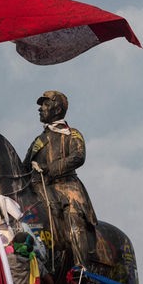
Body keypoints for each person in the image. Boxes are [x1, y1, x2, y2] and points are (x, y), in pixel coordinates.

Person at [22, 91, 97, 268]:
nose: (40, 109)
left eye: (45, 105)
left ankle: (81, 265)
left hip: (67, 185)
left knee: (74, 215)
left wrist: (50, 168)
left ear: (57, 109)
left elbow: (79, 156)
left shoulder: (72, 134)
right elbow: (24, 167)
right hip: (41, 188)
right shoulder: (38, 141)